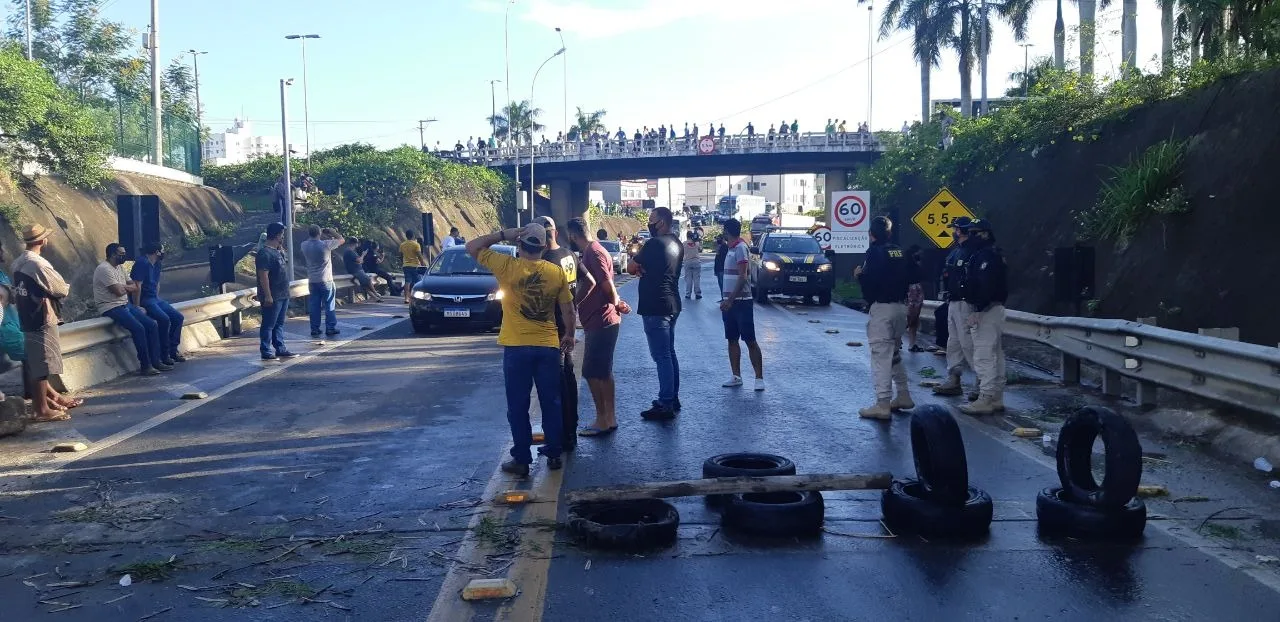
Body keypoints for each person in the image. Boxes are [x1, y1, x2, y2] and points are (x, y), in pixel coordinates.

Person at [466, 223, 575, 477]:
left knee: (518, 405)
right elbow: (568, 309)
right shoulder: (555, 272)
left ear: (519, 245)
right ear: (545, 246)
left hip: (516, 347)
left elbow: (472, 246)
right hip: (548, 346)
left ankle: (522, 459)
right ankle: (554, 453)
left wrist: (505, 234)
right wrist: (569, 334)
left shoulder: (507, 266)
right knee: (551, 402)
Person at [565, 218, 630, 436]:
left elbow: (606, 283)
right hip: (603, 319)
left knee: (591, 372)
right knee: (603, 372)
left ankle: (602, 419)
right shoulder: (594, 250)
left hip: (601, 320)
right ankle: (609, 418)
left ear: (574, 235)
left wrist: (616, 302)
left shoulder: (593, 252)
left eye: (570, 237)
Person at [11, 224, 80, 420]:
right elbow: (60, 288)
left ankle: (42, 404)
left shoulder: (17, 263)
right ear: (43, 241)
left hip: (25, 315)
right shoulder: (38, 264)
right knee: (43, 362)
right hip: (42, 315)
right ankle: (41, 410)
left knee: (35, 362)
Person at [855, 216, 913, 419]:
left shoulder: (874, 252)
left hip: (882, 309)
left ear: (871, 235)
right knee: (894, 354)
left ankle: (882, 403)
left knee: (881, 356)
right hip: (900, 308)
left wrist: (860, 276)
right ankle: (904, 395)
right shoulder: (899, 251)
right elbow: (914, 274)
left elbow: (871, 282)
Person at [627, 207, 682, 420]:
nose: (649, 224)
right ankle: (672, 398)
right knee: (669, 353)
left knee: (661, 356)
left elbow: (632, 267)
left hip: (655, 306)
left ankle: (665, 402)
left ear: (661, 222)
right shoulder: (676, 243)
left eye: (651, 220)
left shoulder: (654, 244)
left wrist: (640, 268)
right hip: (672, 304)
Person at [534, 216, 581, 452]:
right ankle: (570, 433)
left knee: (555, 386)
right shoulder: (568, 254)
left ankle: (562, 437)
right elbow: (589, 281)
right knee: (568, 382)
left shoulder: (547, 262)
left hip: (553, 329)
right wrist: (574, 306)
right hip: (567, 326)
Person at [957, 219, 1008, 415]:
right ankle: (996, 397)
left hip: (986, 310)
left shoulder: (986, 257)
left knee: (984, 355)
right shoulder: (992, 254)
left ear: (985, 234)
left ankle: (985, 398)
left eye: (974, 233)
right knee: (996, 354)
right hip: (995, 308)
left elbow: (985, 285)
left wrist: (978, 309)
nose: (970, 236)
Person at [95, 243, 168, 375]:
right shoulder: (104, 269)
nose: (124, 256)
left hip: (125, 304)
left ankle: (156, 361)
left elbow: (134, 286)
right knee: (138, 328)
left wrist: (126, 288)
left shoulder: (120, 268)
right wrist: (127, 287)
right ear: (112, 255)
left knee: (151, 325)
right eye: (121, 254)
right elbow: (118, 291)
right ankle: (146, 366)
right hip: (111, 306)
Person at [933, 217, 976, 398]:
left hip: (966, 302)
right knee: (954, 343)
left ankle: (982, 382)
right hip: (953, 301)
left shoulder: (972, 251)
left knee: (968, 343)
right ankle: (954, 378)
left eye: (955, 229)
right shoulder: (956, 251)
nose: (953, 232)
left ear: (960, 230)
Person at [718, 219, 764, 391]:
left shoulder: (740, 248)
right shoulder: (730, 248)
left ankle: (759, 378)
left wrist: (730, 300)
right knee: (732, 339)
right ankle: (736, 376)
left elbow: (743, 275)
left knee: (750, 340)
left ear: (727, 231)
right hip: (729, 303)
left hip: (741, 302)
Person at [131, 243, 186, 365]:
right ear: (156, 251)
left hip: (155, 298)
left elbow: (157, 282)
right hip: (146, 299)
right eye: (162, 250)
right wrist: (137, 305)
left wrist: (157, 296)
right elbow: (137, 285)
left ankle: (173, 350)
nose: (163, 252)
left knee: (178, 317)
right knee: (164, 319)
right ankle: (164, 354)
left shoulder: (157, 264)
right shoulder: (142, 263)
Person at [256, 223, 296, 361]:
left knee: (279, 323)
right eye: (282, 235)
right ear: (276, 235)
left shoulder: (278, 251)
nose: (283, 237)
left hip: (283, 293)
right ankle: (265, 350)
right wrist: (267, 295)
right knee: (268, 324)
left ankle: (280, 347)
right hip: (273, 295)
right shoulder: (264, 253)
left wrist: (281, 249)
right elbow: (263, 275)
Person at [301, 225, 345, 338]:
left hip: (312, 280)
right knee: (329, 305)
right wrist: (333, 232)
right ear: (319, 233)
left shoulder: (304, 245)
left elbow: (311, 241)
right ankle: (330, 328)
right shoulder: (325, 244)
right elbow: (341, 240)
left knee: (314, 306)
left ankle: (314, 328)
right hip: (326, 279)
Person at [905, 245, 925, 352]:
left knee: (912, 319)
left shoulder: (908, 265)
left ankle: (908, 343)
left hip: (913, 291)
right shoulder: (911, 266)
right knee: (911, 319)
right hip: (913, 292)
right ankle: (910, 343)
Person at [400, 229, 428, 304]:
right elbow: (419, 255)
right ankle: (418, 298)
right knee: (417, 282)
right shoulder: (416, 244)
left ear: (406, 236)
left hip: (406, 265)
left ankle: (406, 298)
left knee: (407, 282)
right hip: (415, 265)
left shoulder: (402, 244)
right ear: (413, 236)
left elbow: (401, 255)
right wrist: (423, 263)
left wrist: (402, 262)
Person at [681, 230, 702, 300]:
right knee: (696, 279)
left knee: (688, 279)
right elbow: (700, 249)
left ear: (687, 236)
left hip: (687, 261)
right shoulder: (696, 243)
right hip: (696, 261)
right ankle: (698, 294)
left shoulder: (684, 243)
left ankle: (688, 294)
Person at [713, 234, 729, 300]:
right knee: (720, 283)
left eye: (719, 239)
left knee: (723, 283)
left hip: (723, 268)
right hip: (718, 268)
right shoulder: (719, 246)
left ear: (723, 239)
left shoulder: (725, 247)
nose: (718, 240)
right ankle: (723, 297)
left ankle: (725, 297)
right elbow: (717, 258)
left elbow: (722, 257)